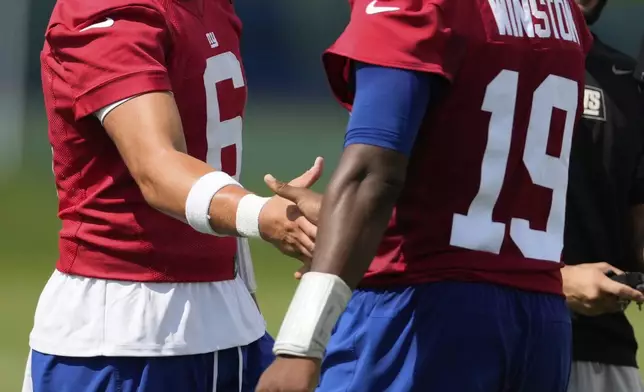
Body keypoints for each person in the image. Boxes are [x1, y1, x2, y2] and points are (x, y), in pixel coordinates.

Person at [255, 1, 644, 391]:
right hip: (540, 325)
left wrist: (300, 345)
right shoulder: (563, 15)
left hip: (422, 315)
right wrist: (343, 220)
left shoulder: (417, 6)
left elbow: (373, 174)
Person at [22, 0, 322, 390]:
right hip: (124, 332)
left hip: (227, 320)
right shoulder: (111, 9)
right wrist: (262, 215)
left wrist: (241, 287)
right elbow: (157, 169)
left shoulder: (210, 7)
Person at [561, 1, 644, 390]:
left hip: (607, 353)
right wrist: (554, 284)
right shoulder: (476, 58)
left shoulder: (629, 81)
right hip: (491, 338)